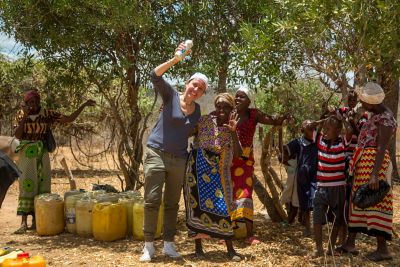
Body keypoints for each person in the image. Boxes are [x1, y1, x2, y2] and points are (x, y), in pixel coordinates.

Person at [141, 43, 208, 262]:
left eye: (201, 89)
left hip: (179, 159)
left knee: (172, 203)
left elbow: (192, 133)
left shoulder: (197, 111)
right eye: (194, 85)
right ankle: (149, 246)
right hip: (156, 153)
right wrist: (175, 59)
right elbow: (155, 75)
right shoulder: (170, 96)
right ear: (187, 83)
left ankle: (169, 244)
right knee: (152, 199)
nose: (195, 90)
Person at [13, 89, 95, 234]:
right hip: (26, 153)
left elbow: (68, 119)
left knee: (43, 184)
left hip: (42, 152)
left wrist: (84, 105)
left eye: (36, 101)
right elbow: (18, 135)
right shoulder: (21, 114)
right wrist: (25, 117)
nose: (34, 104)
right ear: (25, 103)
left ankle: (38, 221)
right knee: (27, 183)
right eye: (30, 102)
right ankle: (23, 222)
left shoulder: (47, 113)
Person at [341, 82, 396, 262]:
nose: (361, 104)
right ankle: (350, 243)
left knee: (376, 203)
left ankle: (383, 249)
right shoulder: (376, 115)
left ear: (371, 103)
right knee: (359, 201)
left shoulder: (386, 118)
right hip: (364, 164)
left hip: (374, 165)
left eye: (363, 101)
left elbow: (381, 148)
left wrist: (374, 174)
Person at [183, 93, 242, 261]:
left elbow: (238, 154)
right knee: (196, 206)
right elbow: (187, 133)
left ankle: (230, 249)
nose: (221, 110)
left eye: (225, 107)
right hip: (197, 168)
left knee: (224, 207)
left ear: (232, 109)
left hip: (219, 172)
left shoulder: (232, 126)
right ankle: (198, 248)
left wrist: (233, 132)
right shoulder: (204, 120)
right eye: (219, 106)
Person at [230, 87, 289, 244]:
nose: (238, 99)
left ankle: (249, 234)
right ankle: (229, 234)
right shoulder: (230, 113)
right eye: (236, 96)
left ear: (249, 101)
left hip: (245, 161)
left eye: (242, 97)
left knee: (245, 194)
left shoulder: (253, 114)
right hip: (228, 160)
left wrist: (284, 116)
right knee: (229, 194)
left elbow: (273, 121)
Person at [305, 116, 351, 257]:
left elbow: (348, 129)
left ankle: (330, 248)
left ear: (338, 130)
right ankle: (318, 248)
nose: (324, 131)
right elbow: (307, 126)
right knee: (317, 217)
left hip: (338, 188)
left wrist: (340, 118)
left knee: (338, 219)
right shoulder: (319, 140)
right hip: (321, 187)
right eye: (324, 128)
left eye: (328, 128)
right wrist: (323, 121)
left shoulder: (343, 142)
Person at [280, 120, 318, 236]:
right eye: (307, 126)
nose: (311, 127)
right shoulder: (298, 142)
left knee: (315, 200)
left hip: (315, 176)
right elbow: (284, 150)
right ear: (302, 130)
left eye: (312, 127)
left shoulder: (318, 140)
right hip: (302, 177)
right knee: (305, 203)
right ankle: (307, 227)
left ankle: (314, 226)